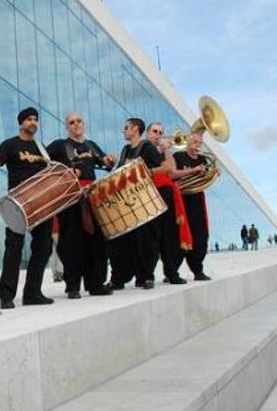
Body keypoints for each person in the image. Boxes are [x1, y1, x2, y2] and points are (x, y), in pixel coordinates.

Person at [0, 107, 54, 308]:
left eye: (35, 119)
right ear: (21, 123)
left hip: (41, 203)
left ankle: (32, 293)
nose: (33, 122)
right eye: (29, 119)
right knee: (13, 248)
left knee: (43, 247)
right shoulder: (10, 144)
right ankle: (6, 295)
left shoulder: (42, 149)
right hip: (19, 202)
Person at [46, 111, 116, 298]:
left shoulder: (91, 145)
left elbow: (106, 164)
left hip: (93, 196)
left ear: (84, 124)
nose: (76, 124)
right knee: (72, 242)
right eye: (71, 122)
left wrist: (110, 160)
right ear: (66, 126)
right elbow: (44, 164)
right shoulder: (58, 145)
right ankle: (73, 285)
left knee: (97, 241)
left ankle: (95, 284)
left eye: (79, 121)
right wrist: (66, 175)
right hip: (70, 197)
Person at [108, 118, 165, 290]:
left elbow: (164, 167)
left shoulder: (147, 147)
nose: (124, 131)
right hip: (128, 200)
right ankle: (120, 277)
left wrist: (139, 171)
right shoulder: (126, 150)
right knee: (124, 240)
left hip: (145, 199)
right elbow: (119, 172)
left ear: (135, 129)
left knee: (146, 239)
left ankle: (146, 276)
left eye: (126, 128)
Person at [145, 122, 190, 285]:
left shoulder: (164, 150)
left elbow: (171, 170)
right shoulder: (142, 149)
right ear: (147, 133)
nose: (158, 134)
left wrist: (165, 150)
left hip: (166, 192)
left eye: (160, 132)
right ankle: (148, 275)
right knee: (152, 236)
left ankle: (171, 272)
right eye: (154, 131)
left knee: (170, 235)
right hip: (150, 192)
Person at [172, 132, 212, 280]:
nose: (197, 146)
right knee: (179, 236)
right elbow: (173, 174)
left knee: (201, 235)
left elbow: (206, 178)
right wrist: (193, 171)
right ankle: (172, 272)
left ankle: (198, 271)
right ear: (187, 142)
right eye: (195, 142)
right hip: (181, 200)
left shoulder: (203, 159)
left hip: (197, 200)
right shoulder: (178, 157)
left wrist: (213, 173)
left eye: (200, 143)